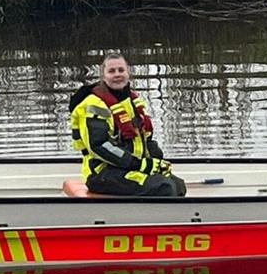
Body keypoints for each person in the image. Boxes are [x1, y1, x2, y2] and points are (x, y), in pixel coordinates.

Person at [69, 52, 186, 197]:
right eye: (111, 71)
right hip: (102, 173)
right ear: (103, 76)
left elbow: (146, 139)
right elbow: (99, 145)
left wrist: (157, 163)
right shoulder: (94, 104)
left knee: (178, 185)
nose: (117, 74)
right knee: (164, 187)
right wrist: (139, 164)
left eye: (121, 70)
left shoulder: (132, 101)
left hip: (127, 168)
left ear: (128, 72)